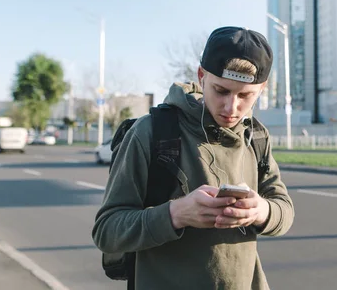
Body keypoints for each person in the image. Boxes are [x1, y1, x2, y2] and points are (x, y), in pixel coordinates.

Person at [92, 26, 295, 290]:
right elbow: (107, 231)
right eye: (221, 90)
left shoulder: (256, 136)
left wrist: (262, 211)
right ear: (202, 76)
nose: (231, 107)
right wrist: (175, 214)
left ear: (262, 89)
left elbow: (285, 210)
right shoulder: (151, 131)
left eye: (245, 95)